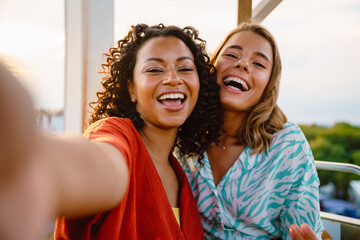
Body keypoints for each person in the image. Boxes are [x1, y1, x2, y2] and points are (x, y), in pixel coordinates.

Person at [0, 23, 223, 240]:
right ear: (131, 88)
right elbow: (98, 165)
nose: (174, 79)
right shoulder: (118, 136)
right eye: (155, 69)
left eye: (185, 69)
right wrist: (29, 163)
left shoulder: (182, 177)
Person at [175, 21, 325, 239]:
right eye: (232, 55)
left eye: (259, 64)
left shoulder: (288, 144)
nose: (243, 64)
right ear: (212, 66)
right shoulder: (185, 132)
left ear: (268, 84)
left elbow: (303, 230)